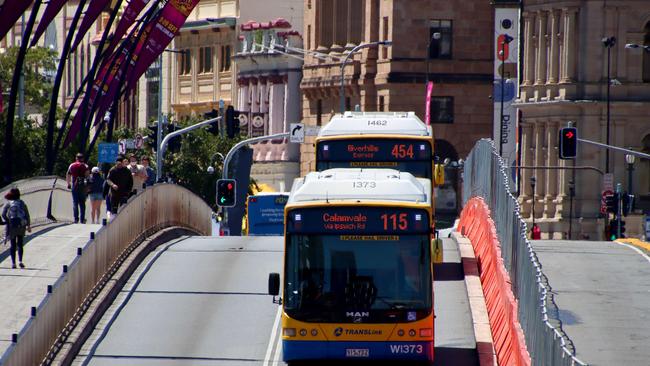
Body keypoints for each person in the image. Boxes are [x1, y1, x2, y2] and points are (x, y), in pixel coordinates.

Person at [2, 188, 31, 269]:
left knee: (12, 245)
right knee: (20, 244)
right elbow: (27, 215)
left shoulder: (8, 203)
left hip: (12, 226)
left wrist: (8, 221)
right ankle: (20, 261)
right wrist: (28, 225)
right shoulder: (22, 203)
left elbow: (3, 214)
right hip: (21, 225)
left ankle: (13, 263)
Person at [66, 153, 90, 223]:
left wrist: (68, 184)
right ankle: (82, 219)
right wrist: (87, 187)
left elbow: (68, 175)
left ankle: (76, 219)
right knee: (82, 203)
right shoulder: (85, 166)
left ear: (76, 158)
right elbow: (87, 176)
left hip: (74, 185)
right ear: (82, 158)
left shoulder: (72, 165)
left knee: (75, 202)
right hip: (82, 186)